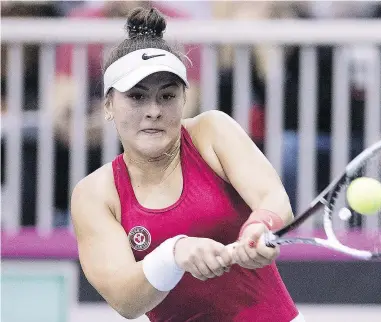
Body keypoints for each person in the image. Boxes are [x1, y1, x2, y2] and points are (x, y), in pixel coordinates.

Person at [70, 7, 303, 322]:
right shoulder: (94, 195)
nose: (153, 110)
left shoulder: (212, 131)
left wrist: (260, 225)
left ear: (184, 100)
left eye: (167, 96)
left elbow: (274, 199)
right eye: (137, 98)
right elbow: (125, 300)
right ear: (109, 105)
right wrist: (174, 253)